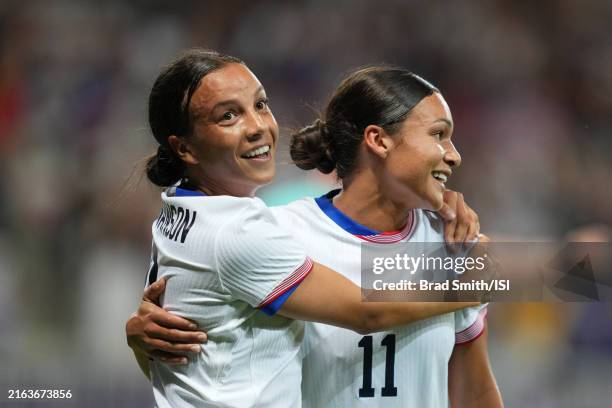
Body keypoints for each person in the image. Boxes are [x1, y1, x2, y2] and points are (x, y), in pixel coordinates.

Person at [130, 49, 500, 407]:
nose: (454, 154)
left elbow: (475, 393)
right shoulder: (276, 235)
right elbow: (199, 365)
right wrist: (487, 277)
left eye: (261, 105)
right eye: (438, 135)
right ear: (378, 140)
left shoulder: (452, 245)